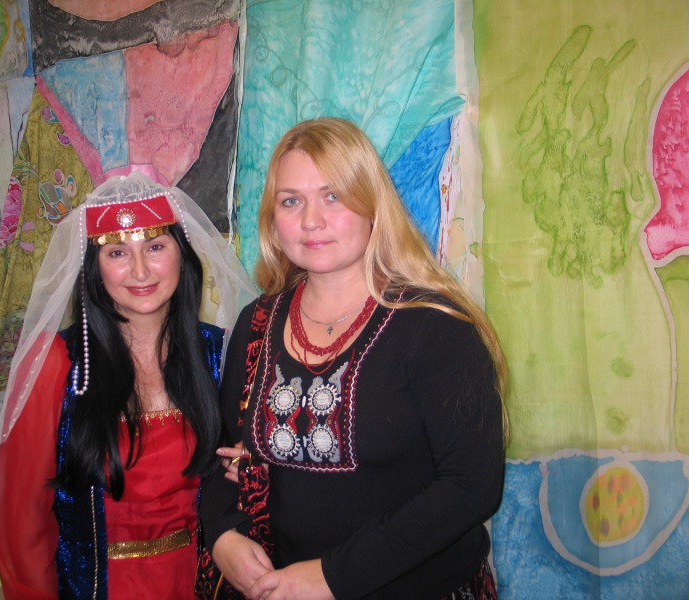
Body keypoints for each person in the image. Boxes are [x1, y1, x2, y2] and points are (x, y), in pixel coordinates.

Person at [201, 117, 509, 600]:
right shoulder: (256, 322)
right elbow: (221, 455)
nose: (311, 220)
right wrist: (223, 534)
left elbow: (472, 486)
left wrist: (332, 576)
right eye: (291, 200)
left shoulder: (435, 326)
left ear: (373, 206)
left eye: (333, 196)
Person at [0, 172, 256, 599]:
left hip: (202, 583)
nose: (140, 270)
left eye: (155, 247)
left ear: (182, 253)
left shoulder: (220, 353)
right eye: (117, 252)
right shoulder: (56, 365)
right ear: (94, 268)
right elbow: (21, 526)